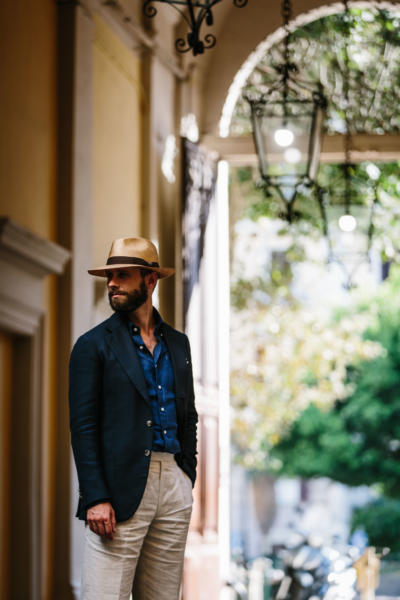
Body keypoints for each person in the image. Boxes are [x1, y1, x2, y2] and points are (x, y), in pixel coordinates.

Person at [69, 236, 198, 600]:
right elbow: (83, 425)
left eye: (122, 275)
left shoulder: (179, 344)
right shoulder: (92, 345)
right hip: (117, 490)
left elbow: (189, 414)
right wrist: (95, 496)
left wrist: (187, 474)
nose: (112, 283)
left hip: (173, 484)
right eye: (110, 276)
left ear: (150, 280)